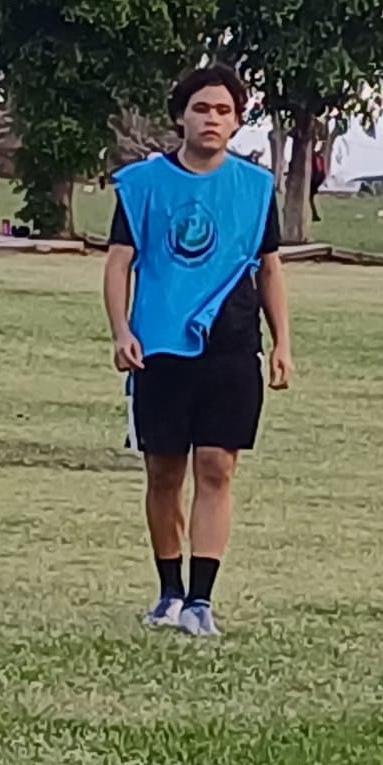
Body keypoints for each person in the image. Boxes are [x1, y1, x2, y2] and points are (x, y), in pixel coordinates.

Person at [106, 67, 295, 638]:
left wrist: (282, 342)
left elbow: (269, 268)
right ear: (180, 116)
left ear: (237, 122)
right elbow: (119, 262)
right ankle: (168, 592)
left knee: (217, 467)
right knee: (164, 472)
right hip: (159, 346)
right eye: (201, 108)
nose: (211, 119)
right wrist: (121, 330)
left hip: (232, 345)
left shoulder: (255, 188)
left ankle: (200, 601)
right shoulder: (142, 184)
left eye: (223, 111)